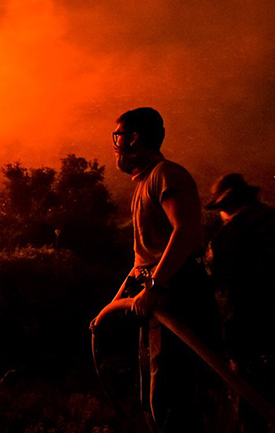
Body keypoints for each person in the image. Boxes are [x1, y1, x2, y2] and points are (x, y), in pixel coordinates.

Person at [92, 107, 216, 432]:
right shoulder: (145, 183)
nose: (115, 144)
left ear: (133, 139)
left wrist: (157, 288)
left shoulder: (166, 175)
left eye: (117, 136)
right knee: (154, 398)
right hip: (156, 300)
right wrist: (114, 304)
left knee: (170, 401)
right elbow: (143, 260)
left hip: (177, 297)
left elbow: (186, 231)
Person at [205, 173, 275, 433]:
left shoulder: (231, 234)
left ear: (225, 206)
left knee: (250, 409)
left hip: (254, 335)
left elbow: (213, 282)